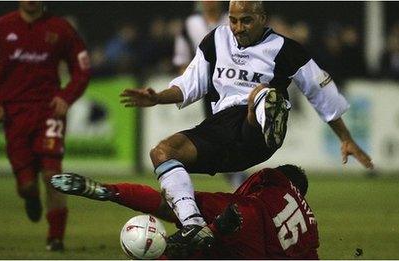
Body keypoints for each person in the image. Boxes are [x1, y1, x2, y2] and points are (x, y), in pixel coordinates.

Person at [120, 0, 373, 249]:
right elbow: (189, 85)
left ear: (263, 19)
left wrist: (346, 137)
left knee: (260, 94)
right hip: (223, 132)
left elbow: (322, 94)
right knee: (162, 153)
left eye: (246, 20)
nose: (238, 27)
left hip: (257, 134)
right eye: (233, 20)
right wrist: (157, 98)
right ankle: (193, 226)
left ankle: (267, 112)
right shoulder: (216, 40)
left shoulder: (285, 49)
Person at [0, 1, 91, 251]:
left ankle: (55, 238)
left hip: (48, 110)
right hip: (14, 114)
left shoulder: (60, 28)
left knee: (52, 175)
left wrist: (66, 96)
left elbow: (82, 68)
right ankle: (30, 196)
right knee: (28, 186)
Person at [50, 164, 319, 259]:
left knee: (181, 216)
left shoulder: (263, 196)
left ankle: (107, 191)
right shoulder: (308, 225)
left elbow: (165, 205)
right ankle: (202, 236)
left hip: (243, 231)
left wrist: (110, 192)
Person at [173, 0, 247, 189]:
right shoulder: (190, 24)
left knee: (233, 133)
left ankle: (239, 177)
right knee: (220, 135)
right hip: (207, 88)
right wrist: (187, 83)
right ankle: (237, 178)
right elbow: (182, 58)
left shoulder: (233, 20)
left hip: (233, 85)